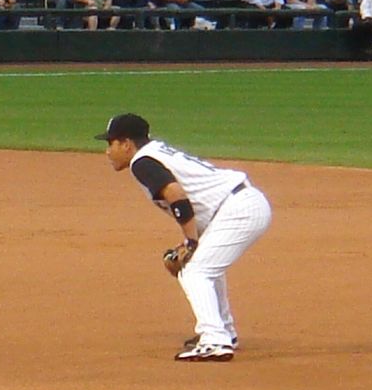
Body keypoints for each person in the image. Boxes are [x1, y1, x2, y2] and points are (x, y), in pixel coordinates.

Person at [95, 112, 272, 362]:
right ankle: (224, 332)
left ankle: (214, 340)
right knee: (205, 267)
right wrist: (190, 242)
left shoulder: (142, 162)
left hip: (238, 209)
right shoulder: (155, 152)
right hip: (236, 205)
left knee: (196, 271)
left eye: (110, 143)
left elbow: (176, 195)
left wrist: (190, 243)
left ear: (126, 144)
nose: (107, 151)